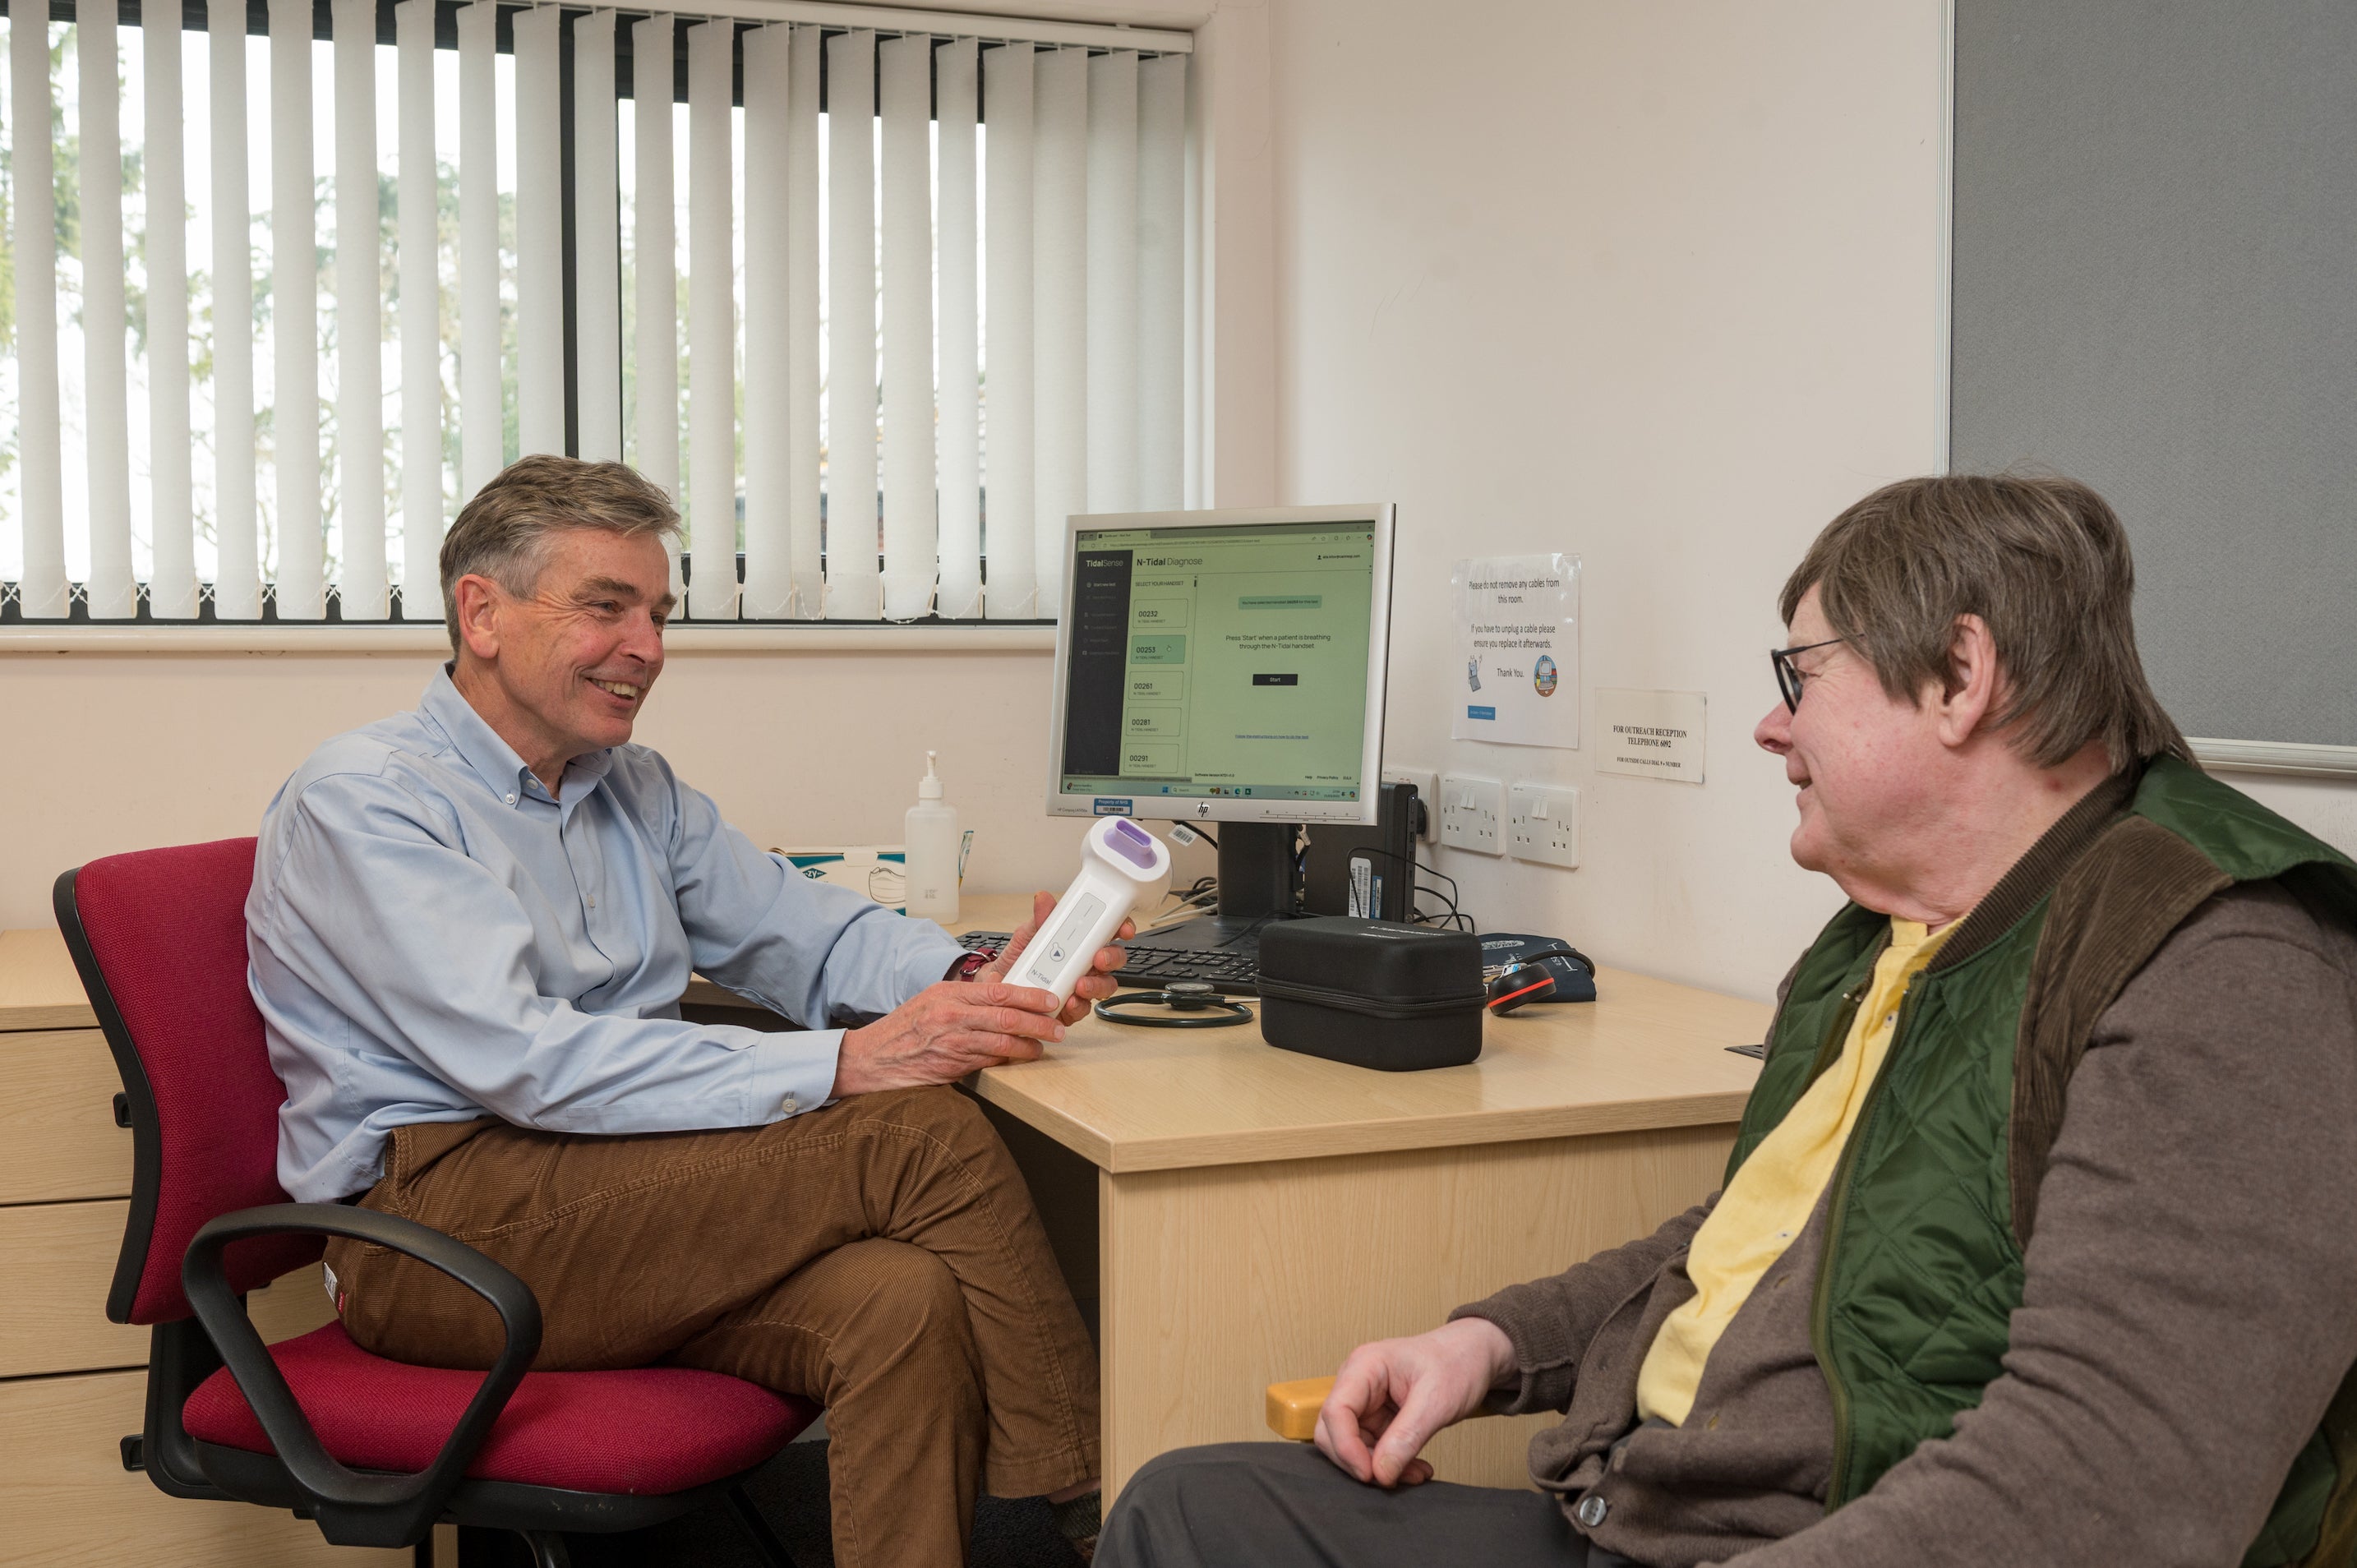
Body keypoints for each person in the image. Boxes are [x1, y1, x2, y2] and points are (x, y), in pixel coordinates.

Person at [1099, 473, 2357, 1568]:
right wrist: (1487, 1346)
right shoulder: (1902, 932)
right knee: (1185, 1515)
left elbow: (2112, 1488)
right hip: (1639, 1516)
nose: (1771, 724)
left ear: (1961, 677)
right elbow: (1751, 1242)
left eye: (1801, 676)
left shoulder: (2223, 969)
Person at [247, 455, 1117, 1567]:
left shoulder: (633, 788)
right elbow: (531, 1065)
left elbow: (812, 932)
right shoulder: (367, 801)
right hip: (439, 1230)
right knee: (921, 1135)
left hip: (613, 1198)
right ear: (483, 613)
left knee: (901, 1302)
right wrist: (850, 1062)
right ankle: (1102, 1516)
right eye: (606, 608)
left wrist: (989, 976)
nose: (649, 647)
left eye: (658, 613)